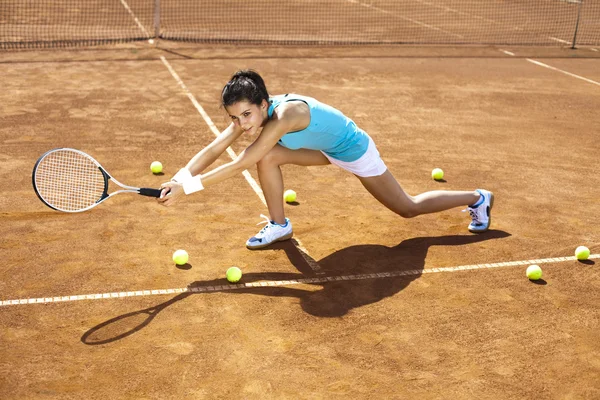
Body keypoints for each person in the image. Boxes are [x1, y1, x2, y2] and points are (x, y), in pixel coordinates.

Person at [157, 70, 494, 249]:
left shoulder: (286, 115)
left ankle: (478, 198)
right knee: (268, 157)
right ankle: (279, 226)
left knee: (407, 208)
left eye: (246, 114)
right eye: (235, 117)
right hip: (323, 150)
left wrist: (188, 189)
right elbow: (216, 148)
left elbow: (242, 161)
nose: (241, 124)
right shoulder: (256, 114)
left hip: (353, 151)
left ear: (263, 104)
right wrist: (178, 177)